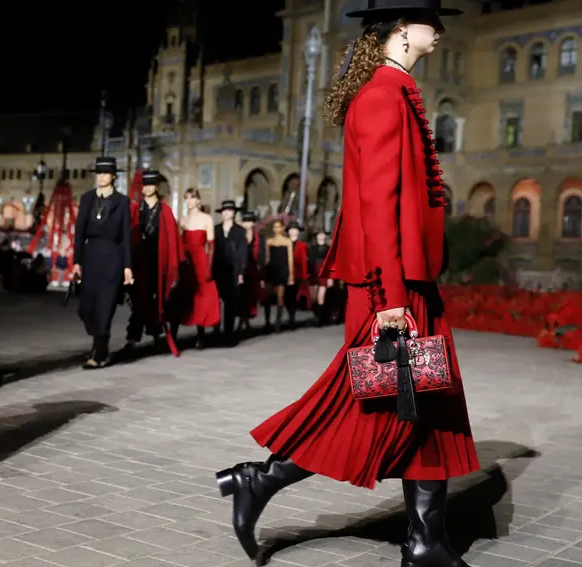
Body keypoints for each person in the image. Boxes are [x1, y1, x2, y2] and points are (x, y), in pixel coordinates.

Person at [214, 2, 479, 565]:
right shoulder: (383, 95)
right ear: (404, 30)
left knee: (426, 401)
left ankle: (426, 540)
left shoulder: (396, 89)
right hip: (391, 286)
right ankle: (258, 480)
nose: (441, 30)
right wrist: (391, 299)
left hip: (408, 280)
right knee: (367, 403)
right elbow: (377, 206)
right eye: (434, 20)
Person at [72, 156, 133, 368]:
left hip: (113, 256)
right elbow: (79, 231)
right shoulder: (88, 198)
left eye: (105, 173)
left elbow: (126, 234)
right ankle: (101, 342)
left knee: (105, 306)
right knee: (86, 308)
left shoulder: (122, 201)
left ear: (114, 176)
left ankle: (97, 352)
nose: (101, 177)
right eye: (98, 173)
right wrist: (77, 260)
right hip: (90, 255)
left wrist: (127, 266)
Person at [124, 169, 182, 356]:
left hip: (158, 261)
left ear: (156, 187)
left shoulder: (165, 211)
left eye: (150, 185)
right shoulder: (135, 209)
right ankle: (138, 337)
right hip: (139, 261)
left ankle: (148, 336)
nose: (147, 188)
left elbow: (173, 240)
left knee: (156, 300)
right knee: (141, 300)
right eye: (145, 185)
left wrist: (173, 266)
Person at [173, 189, 221, 349]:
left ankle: (200, 337)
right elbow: (178, 243)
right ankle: (173, 336)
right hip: (186, 260)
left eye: (192, 197)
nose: (189, 200)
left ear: (198, 200)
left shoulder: (206, 219)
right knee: (183, 296)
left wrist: (209, 267)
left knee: (201, 296)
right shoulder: (183, 220)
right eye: (186, 198)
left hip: (200, 260)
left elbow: (212, 246)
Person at [211, 200, 247, 344]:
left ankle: (228, 334)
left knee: (230, 302)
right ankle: (215, 330)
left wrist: (240, 273)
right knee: (215, 301)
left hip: (233, 269)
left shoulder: (239, 231)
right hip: (217, 268)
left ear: (234, 213)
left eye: (230, 210)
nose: (227, 213)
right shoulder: (215, 229)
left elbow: (242, 252)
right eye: (225, 210)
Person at [262, 219, 294, 332]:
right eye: (275, 227)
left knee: (280, 297)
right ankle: (267, 322)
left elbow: (290, 259)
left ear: (282, 228)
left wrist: (291, 275)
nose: (276, 229)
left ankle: (278, 323)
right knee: (268, 297)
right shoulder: (269, 241)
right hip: (271, 270)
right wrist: (263, 274)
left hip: (282, 270)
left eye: (278, 227)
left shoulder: (287, 241)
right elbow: (267, 258)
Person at [238, 210, 265, 332]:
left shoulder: (258, 237)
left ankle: (244, 322)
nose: (247, 224)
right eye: (245, 221)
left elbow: (261, 256)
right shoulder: (238, 235)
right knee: (241, 296)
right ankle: (242, 322)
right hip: (241, 269)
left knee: (250, 297)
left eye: (249, 221)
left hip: (252, 269)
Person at [287, 220, 311, 328]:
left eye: (295, 230)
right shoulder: (285, 242)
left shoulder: (302, 245)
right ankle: (290, 314)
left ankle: (292, 317)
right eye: (291, 229)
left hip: (297, 273)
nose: (293, 231)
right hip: (286, 273)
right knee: (286, 296)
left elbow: (303, 261)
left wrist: (304, 276)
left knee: (293, 295)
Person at [310, 230, 335, 325]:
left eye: (322, 234)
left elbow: (331, 264)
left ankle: (319, 320)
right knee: (313, 298)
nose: (320, 236)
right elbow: (310, 262)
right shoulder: (312, 248)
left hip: (324, 274)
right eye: (319, 234)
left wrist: (330, 277)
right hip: (313, 274)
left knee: (321, 297)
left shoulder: (328, 248)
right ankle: (317, 315)